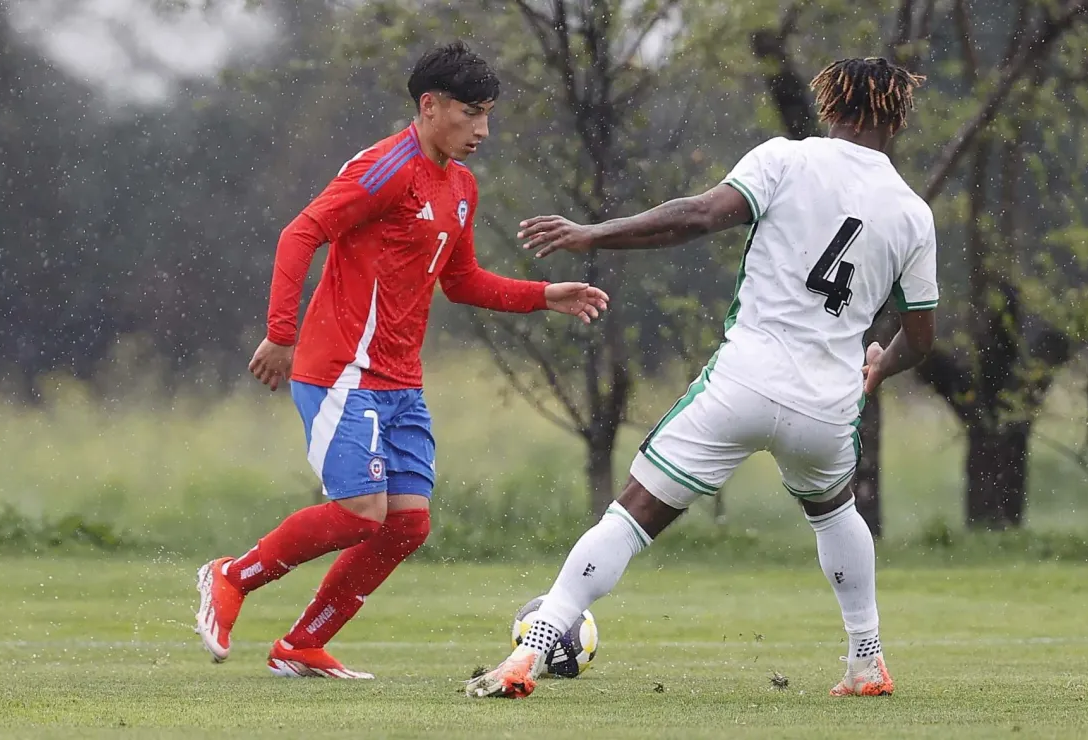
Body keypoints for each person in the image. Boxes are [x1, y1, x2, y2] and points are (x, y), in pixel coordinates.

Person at [467, 57, 935, 699]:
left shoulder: (786, 159)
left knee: (630, 518)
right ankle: (867, 661)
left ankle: (536, 646)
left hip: (744, 382)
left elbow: (696, 215)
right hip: (828, 407)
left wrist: (592, 233)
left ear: (832, 108)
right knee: (834, 511)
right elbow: (923, 336)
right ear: (897, 119)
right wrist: (881, 362)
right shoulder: (913, 213)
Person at [194, 41, 609, 679]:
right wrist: (281, 334)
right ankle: (232, 576)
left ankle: (301, 645)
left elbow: (462, 280)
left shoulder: (462, 186)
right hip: (340, 372)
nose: (483, 130)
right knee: (360, 510)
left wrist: (543, 297)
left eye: (489, 114)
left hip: (400, 383)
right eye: (471, 114)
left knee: (407, 524)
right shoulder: (384, 169)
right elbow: (299, 233)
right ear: (429, 105)